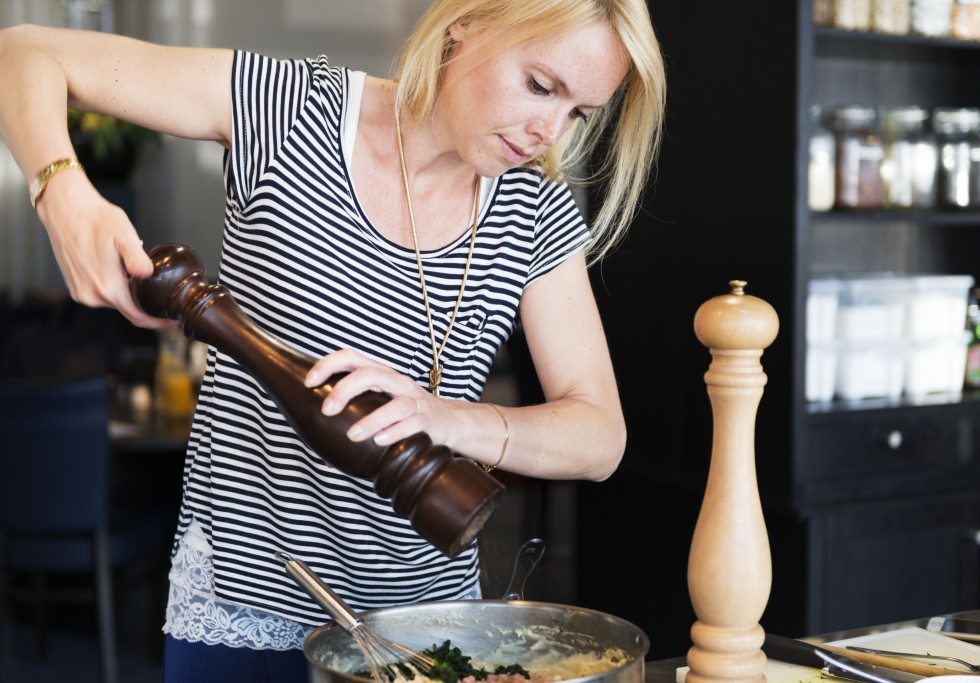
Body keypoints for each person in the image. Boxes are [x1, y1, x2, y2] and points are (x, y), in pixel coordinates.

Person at [0, 1, 665, 680]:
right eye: (541, 85)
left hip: (421, 624)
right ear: (466, 23)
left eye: (579, 113)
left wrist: (447, 419)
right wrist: (62, 193)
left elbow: (599, 436)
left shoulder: (534, 209)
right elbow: (22, 52)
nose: (548, 132)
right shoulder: (289, 110)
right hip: (243, 599)